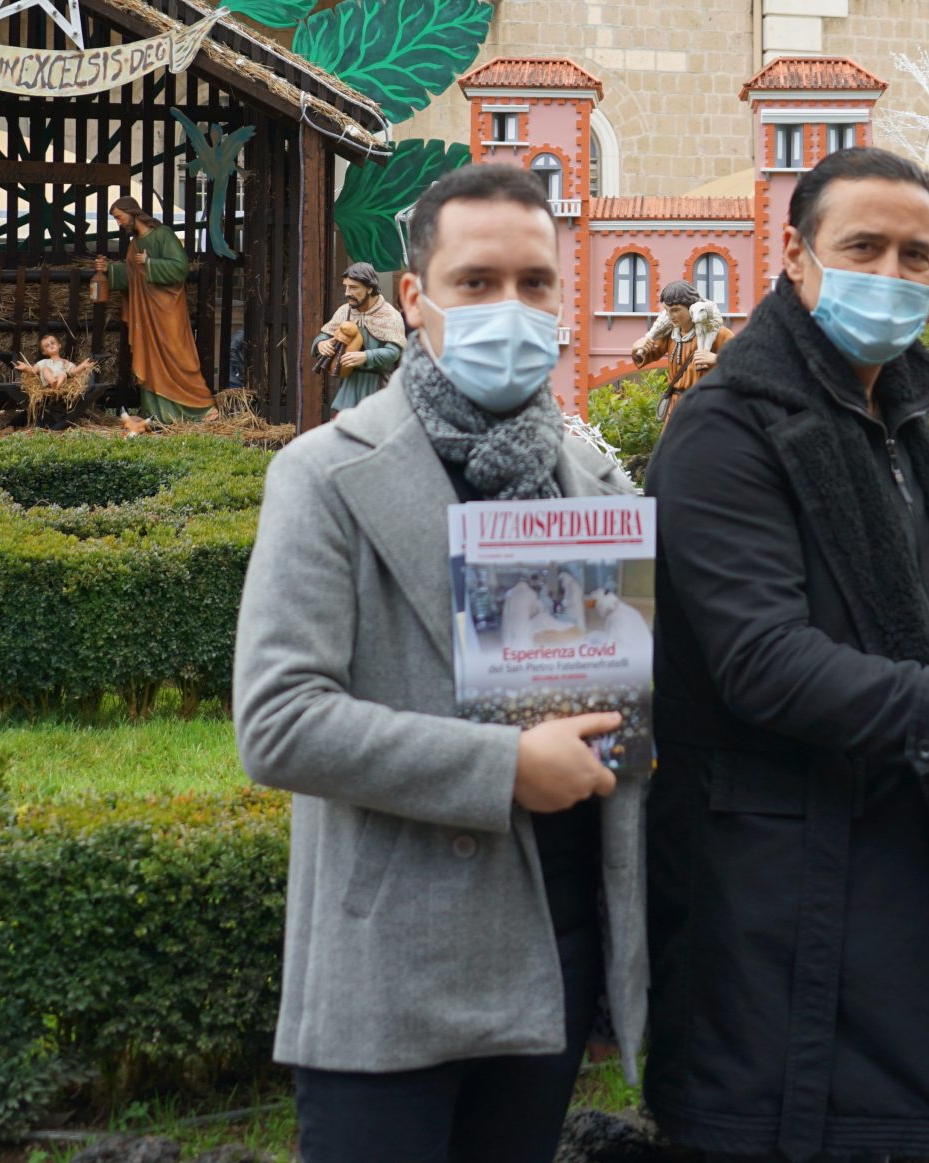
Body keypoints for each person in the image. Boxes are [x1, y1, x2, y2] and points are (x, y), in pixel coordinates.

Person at [644, 146, 929, 1163]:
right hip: (785, 905)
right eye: (863, 248)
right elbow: (764, 661)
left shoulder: (897, 421)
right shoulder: (729, 429)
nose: (891, 275)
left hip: (906, 871)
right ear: (795, 254)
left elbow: (927, 596)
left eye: (914, 255)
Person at [232, 163, 644, 1163]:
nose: (511, 308)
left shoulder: (594, 480)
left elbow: (625, 698)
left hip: (552, 949)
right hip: (390, 960)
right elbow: (279, 720)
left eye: (534, 283)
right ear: (415, 297)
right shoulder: (325, 473)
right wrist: (503, 768)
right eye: (476, 282)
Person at [90, 197, 219, 423]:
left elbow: (180, 268)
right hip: (145, 312)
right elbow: (133, 276)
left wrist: (150, 263)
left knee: (178, 355)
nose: (119, 223)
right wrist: (109, 269)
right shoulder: (135, 244)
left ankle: (201, 407)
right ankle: (156, 413)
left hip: (168, 309)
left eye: (120, 218)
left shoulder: (163, 235)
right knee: (149, 359)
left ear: (133, 213)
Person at [315, 260, 406, 415]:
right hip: (349, 388)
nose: (347, 293)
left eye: (353, 287)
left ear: (370, 288)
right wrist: (321, 344)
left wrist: (365, 356)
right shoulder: (344, 311)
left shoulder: (390, 315)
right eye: (346, 287)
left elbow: (393, 352)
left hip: (378, 387)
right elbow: (323, 336)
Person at [626, 280, 724, 422]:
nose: (670, 316)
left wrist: (717, 359)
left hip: (704, 407)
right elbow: (646, 355)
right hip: (675, 406)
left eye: (676, 310)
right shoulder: (670, 334)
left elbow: (744, 364)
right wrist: (637, 347)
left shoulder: (716, 333)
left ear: (692, 308)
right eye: (667, 310)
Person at [13, 332, 94, 428]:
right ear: (44, 352)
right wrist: (25, 367)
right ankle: (52, 382)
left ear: (59, 345)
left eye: (52, 343)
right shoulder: (43, 362)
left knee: (63, 374)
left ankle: (56, 385)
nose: (51, 345)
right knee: (45, 369)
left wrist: (82, 366)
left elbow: (73, 371)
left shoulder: (65, 363)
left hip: (61, 385)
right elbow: (33, 371)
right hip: (47, 385)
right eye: (47, 346)